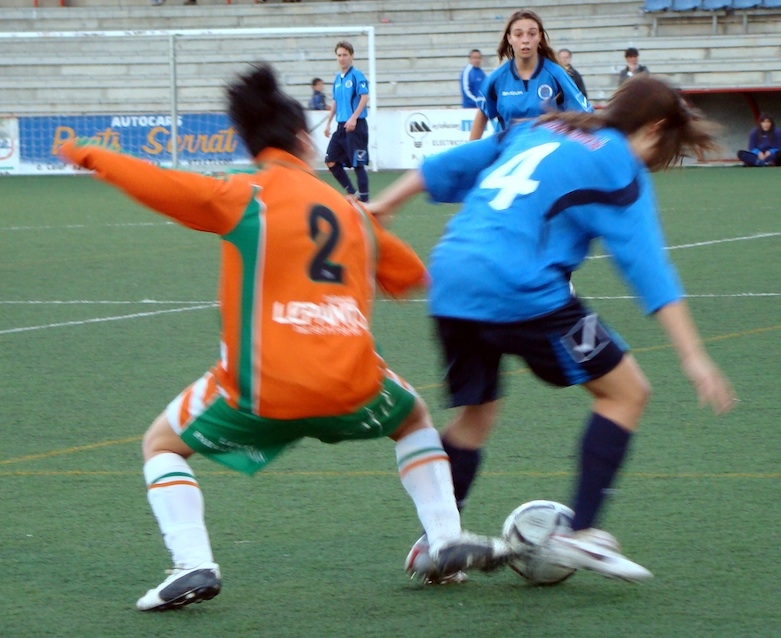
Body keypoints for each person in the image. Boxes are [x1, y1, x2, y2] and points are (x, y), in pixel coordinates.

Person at [58, 64, 509, 610]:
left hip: (262, 392)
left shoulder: (243, 193)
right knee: (413, 419)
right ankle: (443, 537)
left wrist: (90, 155)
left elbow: (163, 185)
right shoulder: (349, 210)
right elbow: (411, 274)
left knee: (160, 445)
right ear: (303, 139)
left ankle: (193, 562)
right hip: (354, 388)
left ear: (249, 143)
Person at [371, 75, 737, 582]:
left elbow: (451, 164)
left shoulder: (541, 127)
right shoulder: (618, 167)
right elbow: (648, 267)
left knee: (476, 416)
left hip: (452, 276)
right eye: (668, 147)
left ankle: (439, 541)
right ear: (654, 128)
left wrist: (385, 205)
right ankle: (580, 533)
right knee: (626, 393)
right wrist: (694, 356)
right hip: (519, 287)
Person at [469, 9, 591, 141]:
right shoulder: (497, 78)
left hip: (545, 152)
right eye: (518, 35)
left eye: (532, 34)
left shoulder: (556, 74)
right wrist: (470, 156)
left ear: (539, 36)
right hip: (508, 154)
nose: (525, 40)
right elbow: (482, 115)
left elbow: (583, 114)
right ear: (509, 38)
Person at [324, 40, 371, 202]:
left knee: (358, 164)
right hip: (341, 126)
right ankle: (352, 192)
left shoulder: (357, 75)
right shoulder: (337, 78)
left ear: (352, 56)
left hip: (356, 126)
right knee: (330, 160)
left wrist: (354, 118)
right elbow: (335, 102)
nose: (342, 58)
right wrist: (329, 123)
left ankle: (365, 202)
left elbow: (365, 97)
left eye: (345, 55)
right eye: (339, 55)